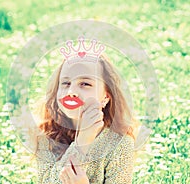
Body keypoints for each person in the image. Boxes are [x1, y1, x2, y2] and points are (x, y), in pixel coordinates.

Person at [30, 37, 140, 183]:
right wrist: (82, 141)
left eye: (85, 84)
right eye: (66, 83)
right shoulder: (47, 135)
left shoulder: (119, 144)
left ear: (106, 97)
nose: (71, 91)